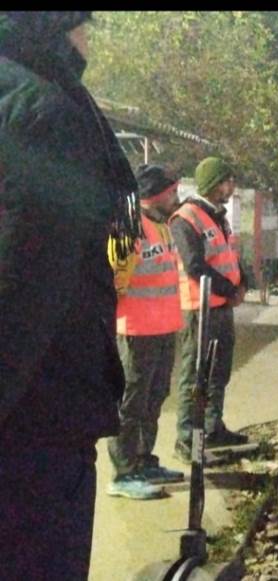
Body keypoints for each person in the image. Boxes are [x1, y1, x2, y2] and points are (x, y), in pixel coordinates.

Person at [0, 12, 142, 578]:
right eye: (84, 27)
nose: (89, 41)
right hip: (38, 420)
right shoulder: (44, 112)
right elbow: (25, 291)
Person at [106, 165, 187, 500]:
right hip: (137, 333)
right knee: (131, 404)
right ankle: (123, 474)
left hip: (164, 330)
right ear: (155, 194)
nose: (176, 198)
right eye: (172, 192)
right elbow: (113, 283)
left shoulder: (161, 226)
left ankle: (143, 460)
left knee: (154, 399)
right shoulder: (129, 229)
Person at [169, 156, 249, 461]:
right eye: (227, 181)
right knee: (195, 374)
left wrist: (242, 282)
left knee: (218, 372)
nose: (231, 187)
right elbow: (194, 266)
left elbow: (228, 255)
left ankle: (213, 428)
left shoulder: (218, 216)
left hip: (221, 307)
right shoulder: (185, 218)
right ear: (213, 184)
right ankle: (187, 438)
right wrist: (230, 290)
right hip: (199, 309)